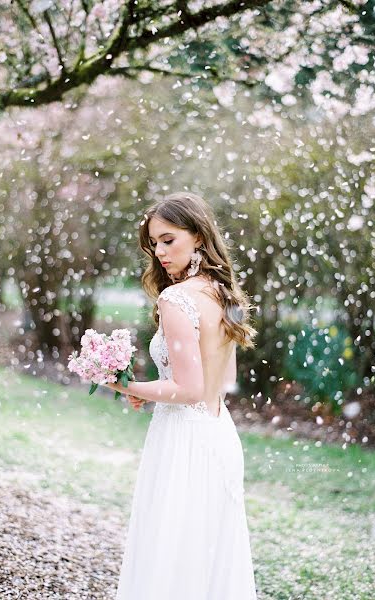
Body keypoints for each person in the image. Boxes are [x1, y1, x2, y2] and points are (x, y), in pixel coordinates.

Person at [103, 192, 259, 600]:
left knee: (170, 557)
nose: (159, 251)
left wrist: (125, 385)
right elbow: (220, 383)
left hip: (183, 442)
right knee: (207, 561)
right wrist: (155, 391)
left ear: (198, 237)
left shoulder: (177, 298)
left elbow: (188, 389)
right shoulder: (223, 293)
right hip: (219, 435)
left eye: (169, 239)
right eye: (154, 243)